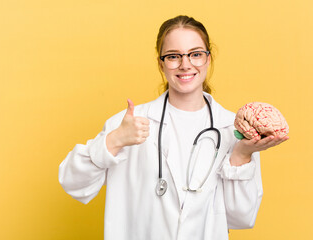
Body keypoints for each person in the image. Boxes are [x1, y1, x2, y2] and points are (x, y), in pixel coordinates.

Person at [58, 15, 289, 240]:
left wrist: (241, 155)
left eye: (196, 54)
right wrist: (115, 140)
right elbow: (73, 183)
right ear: (161, 63)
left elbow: (242, 219)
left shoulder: (234, 129)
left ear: (209, 58)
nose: (185, 64)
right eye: (173, 56)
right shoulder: (129, 123)